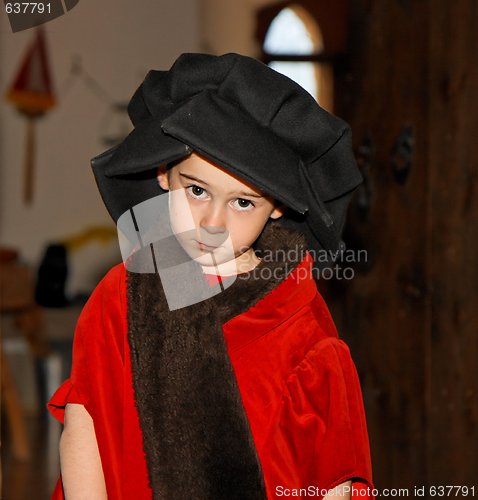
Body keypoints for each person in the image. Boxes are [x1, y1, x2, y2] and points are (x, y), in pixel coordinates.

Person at [48, 53, 374, 500]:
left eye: (243, 202)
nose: (213, 222)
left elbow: (335, 473)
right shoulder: (119, 296)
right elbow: (85, 420)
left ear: (277, 205)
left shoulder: (301, 326)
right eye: (197, 190)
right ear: (165, 175)